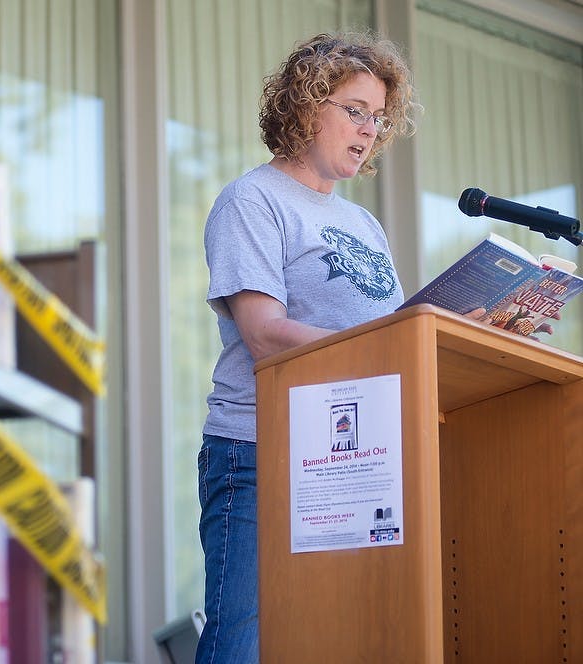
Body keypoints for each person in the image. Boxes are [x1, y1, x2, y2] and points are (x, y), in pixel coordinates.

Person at [197, 31, 420, 663]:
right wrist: (388, 346)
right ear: (304, 104)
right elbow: (264, 332)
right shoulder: (253, 199)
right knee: (242, 641)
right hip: (259, 450)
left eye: (378, 118)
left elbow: (395, 334)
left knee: (338, 641)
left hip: (356, 455)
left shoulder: (364, 224)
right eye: (354, 111)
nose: (370, 129)